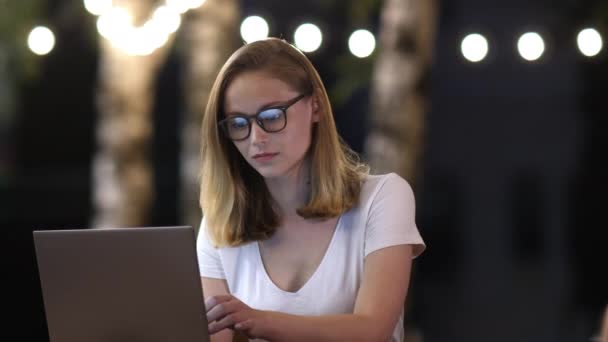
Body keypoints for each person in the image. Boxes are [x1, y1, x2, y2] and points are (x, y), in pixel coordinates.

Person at [196, 37, 425, 342]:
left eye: (272, 117)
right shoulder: (221, 221)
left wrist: (258, 321)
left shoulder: (383, 198)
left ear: (315, 105)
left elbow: (372, 330)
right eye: (239, 123)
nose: (256, 138)